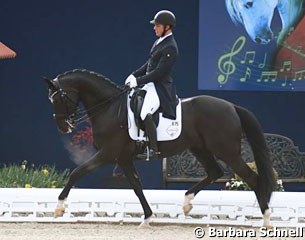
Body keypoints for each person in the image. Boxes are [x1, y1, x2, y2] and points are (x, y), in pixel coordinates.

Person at [125, 10, 179, 157]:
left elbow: (159, 73)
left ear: (167, 27)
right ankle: (140, 140)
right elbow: (149, 64)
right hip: (150, 84)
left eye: (157, 25)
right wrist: (134, 74)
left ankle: (154, 149)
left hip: (160, 87)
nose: (154, 28)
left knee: (145, 112)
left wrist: (137, 81)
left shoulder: (171, 47)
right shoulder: (159, 42)